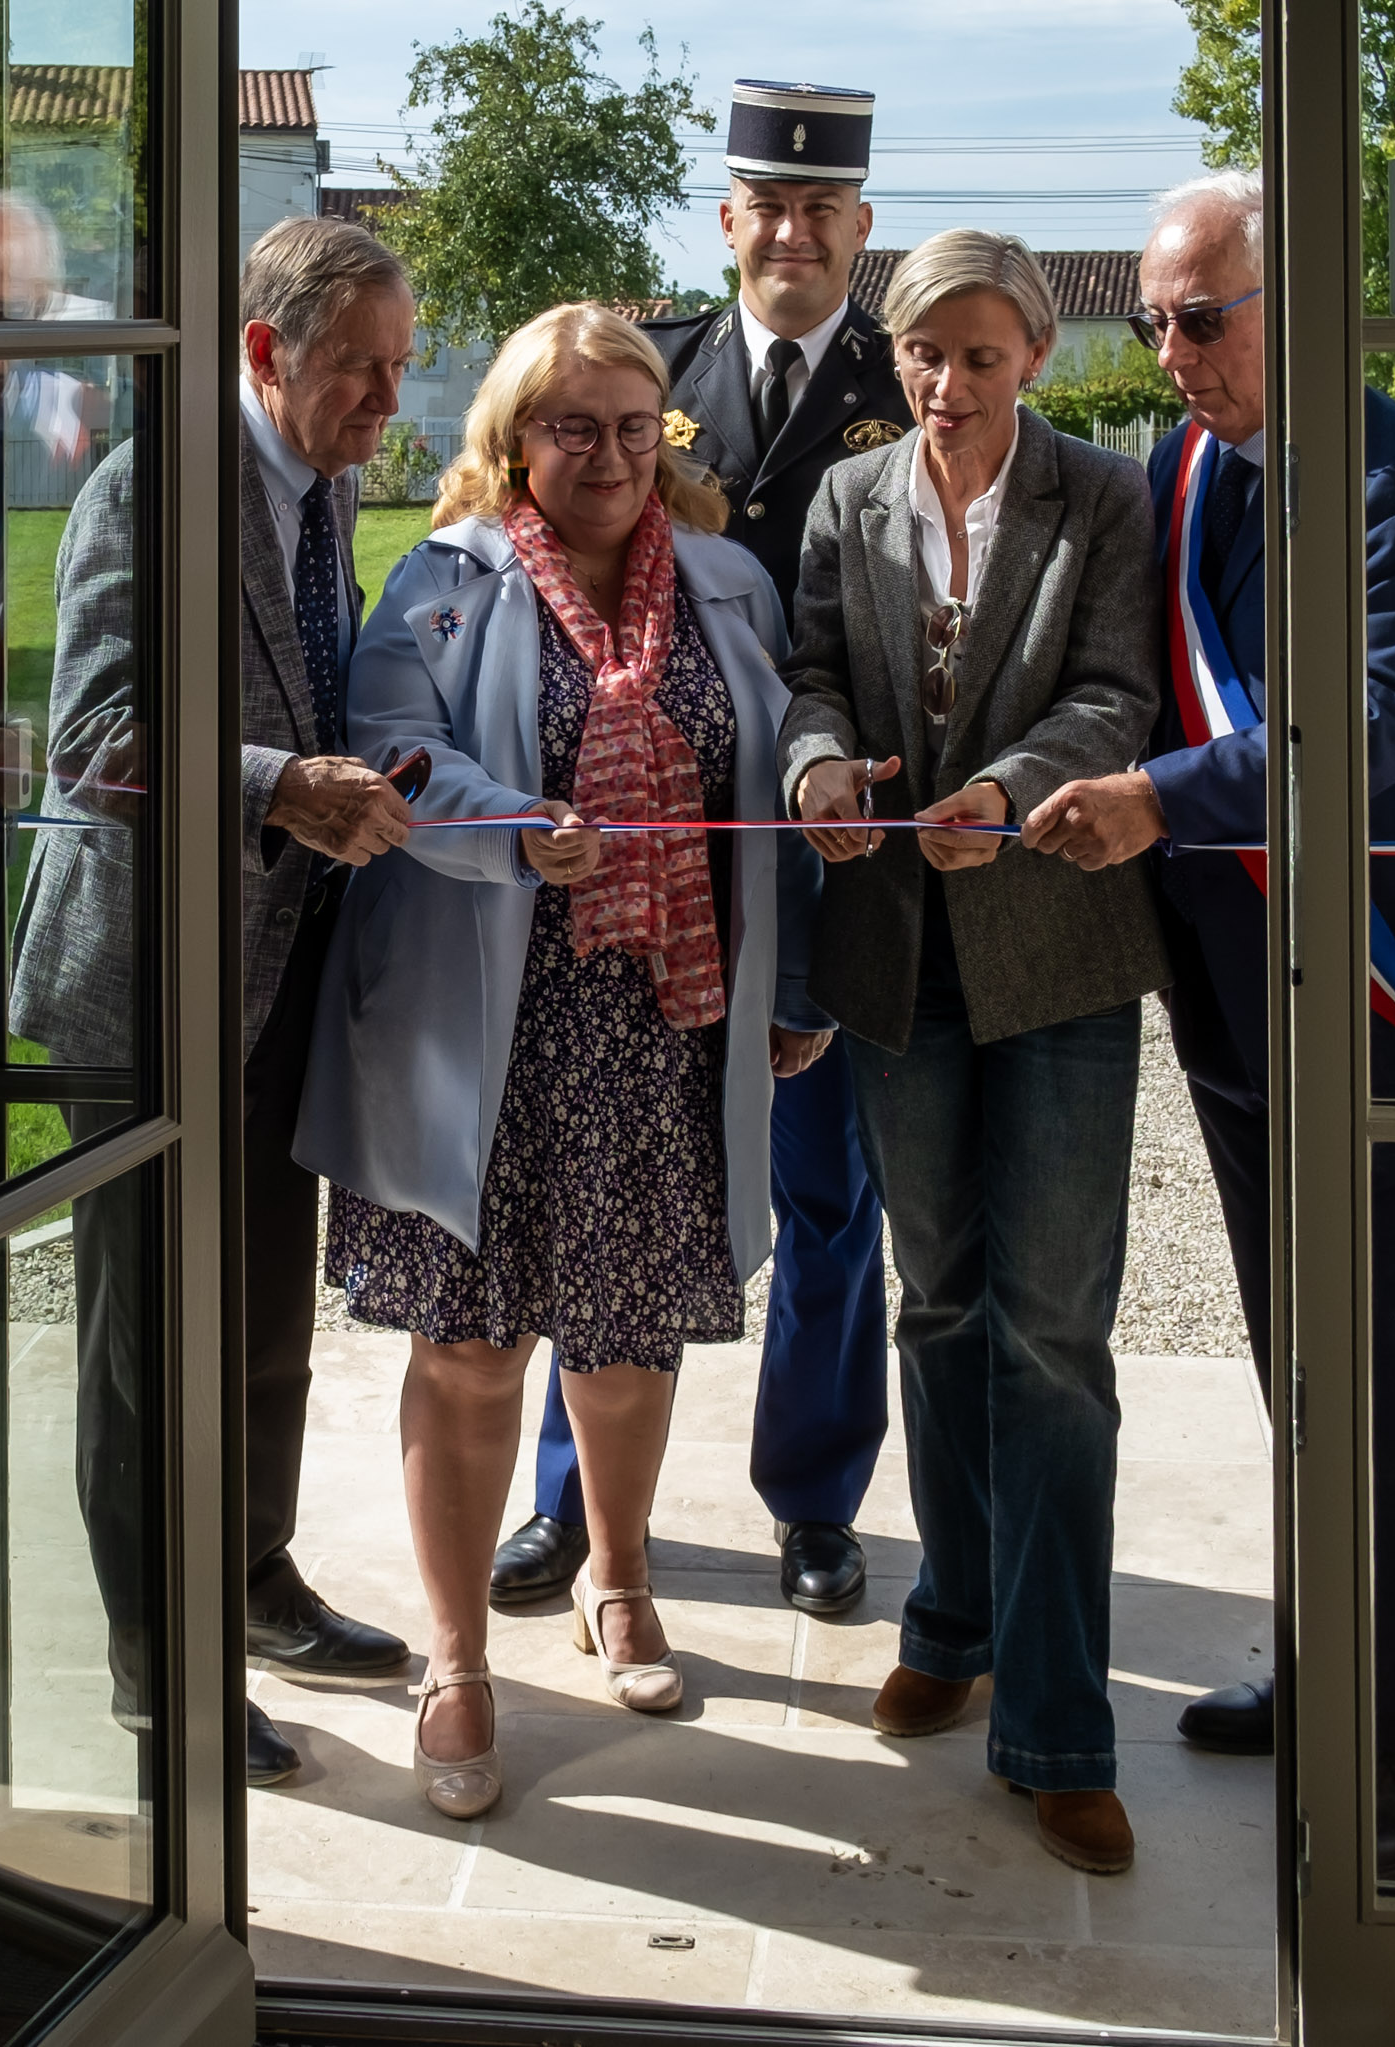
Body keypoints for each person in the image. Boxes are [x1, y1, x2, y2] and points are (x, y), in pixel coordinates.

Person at [1021, 170, 1395, 1882]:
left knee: (1387, 1361)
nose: (1169, 351)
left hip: (1379, 989)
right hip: (1238, 994)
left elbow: (1368, 730)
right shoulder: (1185, 471)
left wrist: (1157, 799)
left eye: (1199, 317)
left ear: (1294, 300)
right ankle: (1335, 1670)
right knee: (1292, 1359)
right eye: (1155, 318)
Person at [295, 303, 820, 1820]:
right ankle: (459, 1662)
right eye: (569, 424)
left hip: (663, 1035)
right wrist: (517, 827)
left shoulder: (732, 585)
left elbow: (771, 799)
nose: (603, 454)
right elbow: (394, 748)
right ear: (515, 438)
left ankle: (623, 1577)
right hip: (485, 1029)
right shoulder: (442, 584)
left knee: (633, 1339)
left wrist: (804, 989)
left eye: (631, 424)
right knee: (467, 1358)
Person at [10, 213, 421, 1787]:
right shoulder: (151, 486)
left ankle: (254, 1584)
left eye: (397, 366)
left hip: (277, 977)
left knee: (259, 1324)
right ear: (265, 353)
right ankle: (153, 1671)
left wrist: (359, 783)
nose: (391, 401)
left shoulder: (325, 490)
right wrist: (279, 786)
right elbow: (98, 738)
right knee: (143, 1356)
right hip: (147, 995)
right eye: (361, 370)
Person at [492, 79, 909, 1622]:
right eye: (768, 206)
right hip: (648, 858)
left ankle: (812, 1500)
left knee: (824, 1197)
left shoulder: (903, 371)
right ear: (727, 219)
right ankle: (574, 1514)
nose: (793, 231)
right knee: (601, 1178)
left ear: (861, 229)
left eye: (824, 211)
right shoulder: (646, 375)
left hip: (834, 844)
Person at [780, 231, 1169, 1876]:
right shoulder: (847, 502)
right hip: (898, 960)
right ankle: (949, 1621)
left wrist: (1004, 795)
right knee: (934, 1300)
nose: (946, 387)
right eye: (925, 357)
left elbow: (1117, 695)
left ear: (1042, 359)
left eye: (981, 359)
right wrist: (812, 767)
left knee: (1054, 1335)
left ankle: (1062, 1724)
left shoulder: (1107, 497)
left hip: (1061, 952)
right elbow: (805, 673)